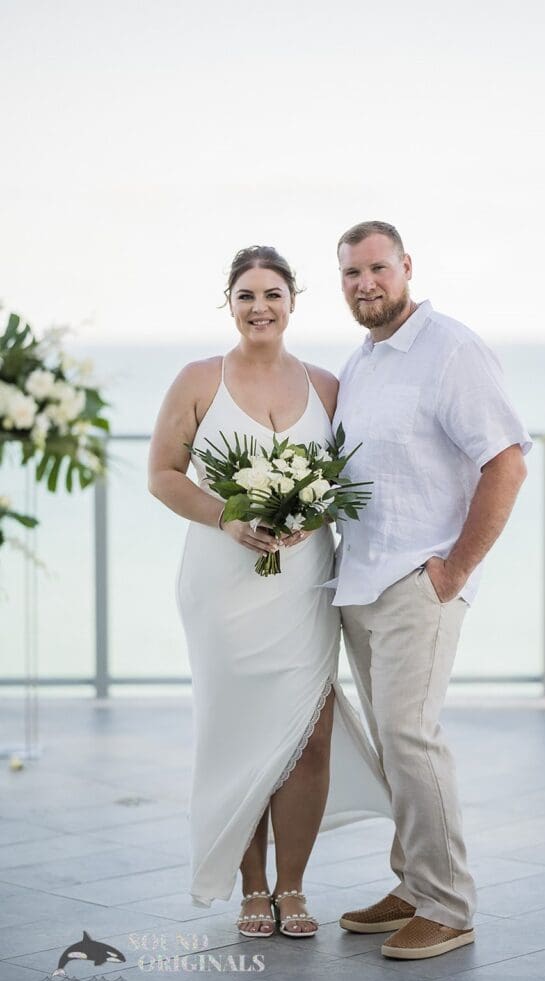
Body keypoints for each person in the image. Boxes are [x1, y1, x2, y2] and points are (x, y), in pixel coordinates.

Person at [147, 245, 390, 938]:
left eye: (272, 295)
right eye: (247, 295)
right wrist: (227, 515)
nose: (260, 307)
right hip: (221, 587)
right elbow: (164, 474)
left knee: (308, 738)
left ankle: (292, 887)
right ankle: (251, 886)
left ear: (292, 302)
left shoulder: (326, 385)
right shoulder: (198, 379)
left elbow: (347, 478)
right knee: (237, 737)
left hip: (304, 583)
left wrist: (310, 515)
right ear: (229, 303)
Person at [331, 220, 532, 960]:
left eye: (377, 269)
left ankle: (448, 904)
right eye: (351, 274)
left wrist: (452, 570)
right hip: (359, 580)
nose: (365, 284)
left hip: (419, 578)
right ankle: (414, 884)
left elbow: (505, 462)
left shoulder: (450, 348)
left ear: (406, 267)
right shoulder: (361, 361)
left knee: (412, 739)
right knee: (393, 743)